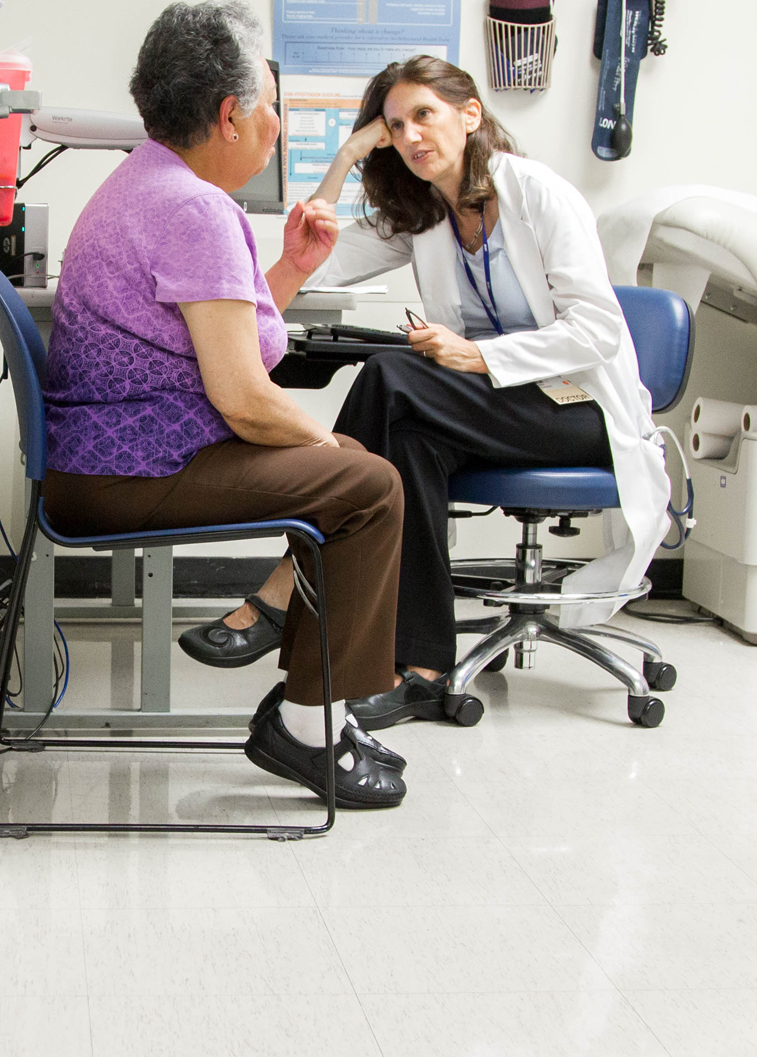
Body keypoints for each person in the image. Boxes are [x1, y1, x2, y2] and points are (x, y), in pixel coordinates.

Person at [176, 54, 671, 728]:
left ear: (470, 115)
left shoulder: (537, 193)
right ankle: (426, 667)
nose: (410, 136)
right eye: (394, 125)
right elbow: (315, 262)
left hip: (579, 408)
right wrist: (348, 156)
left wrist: (476, 355)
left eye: (424, 116)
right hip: (497, 407)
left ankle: (291, 581)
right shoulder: (423, 213)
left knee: (389, 380)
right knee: (407, 444)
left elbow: (599, 331)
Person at [41, 0, 408, 808]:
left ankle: (315, 694)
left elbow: (217, 337)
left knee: (347, 476)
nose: (277, 124)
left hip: (111, 459)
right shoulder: (193, 209)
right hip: (131, 473)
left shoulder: (150, 182)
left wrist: (292, 272)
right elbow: (243, 397)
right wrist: (331, 446)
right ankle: (309, 726)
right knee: (369, 486)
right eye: (272, 105)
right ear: (229, 115)